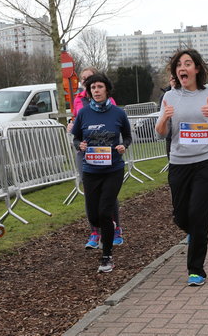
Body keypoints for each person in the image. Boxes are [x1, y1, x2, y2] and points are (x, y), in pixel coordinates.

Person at [155, 49, 208, 286]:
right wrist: (164, 119)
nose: (182, 68)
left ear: (196, 69)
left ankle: (196, 269)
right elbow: (160, 134)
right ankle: (195, 233)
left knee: (198, 216)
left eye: (187, 63)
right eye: (179, 64)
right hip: (179, 162)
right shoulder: (170, 97)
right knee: (180, 215)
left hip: (207, 161)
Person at [71, 73, 132, 273]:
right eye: (92, 88)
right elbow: (76, 139)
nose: (96, 91)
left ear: (106, 89)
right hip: (90, 170)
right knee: (94, 215)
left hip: (113, 169)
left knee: (105, 211)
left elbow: (128, 137)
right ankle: (107, 224)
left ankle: (106, 257)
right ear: (89, 92)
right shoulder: (84, 114)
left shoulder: (118, 113)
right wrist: (79, 145)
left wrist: (123, 146)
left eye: (99, 87)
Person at [67, 67, 123, 249]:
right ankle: (94, 231)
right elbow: (76, 122)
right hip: (86, 154)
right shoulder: (78, 100)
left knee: (108, 194)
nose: (87, 82)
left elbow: (116, 122)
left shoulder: (110, 102)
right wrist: (72, 126)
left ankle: (115, 229)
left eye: (90, 79)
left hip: (107, 154)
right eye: (84, 80)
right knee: (90, 194)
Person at [159, 74, 176, 159]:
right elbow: (162, 115)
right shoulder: (165, 96)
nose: (173, 79)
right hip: (170, 136)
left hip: (183, 134)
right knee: (172, 162)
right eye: (172, 78)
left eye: (175, 78)